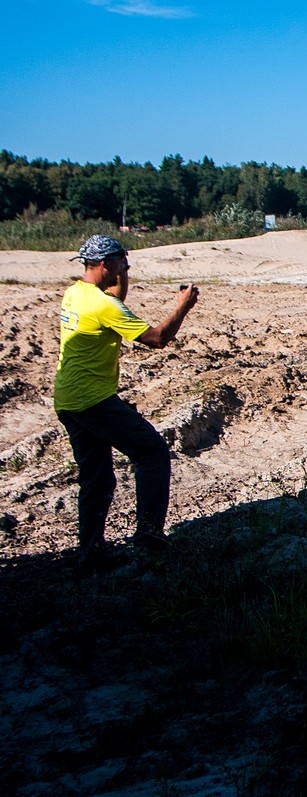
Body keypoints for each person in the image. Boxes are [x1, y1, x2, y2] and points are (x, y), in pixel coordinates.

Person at [54, 234, 200, 576]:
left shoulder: (76, 293)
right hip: (93, 401)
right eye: (122, 261)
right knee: (151, 452)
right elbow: (158, 338)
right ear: (106, 264)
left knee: (97, 479)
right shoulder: (104, 306)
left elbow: (114, 297)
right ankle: (149, 537)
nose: (125, 267)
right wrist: (183, 306)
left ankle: (89, 553)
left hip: (68, 399)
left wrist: (123, 273)